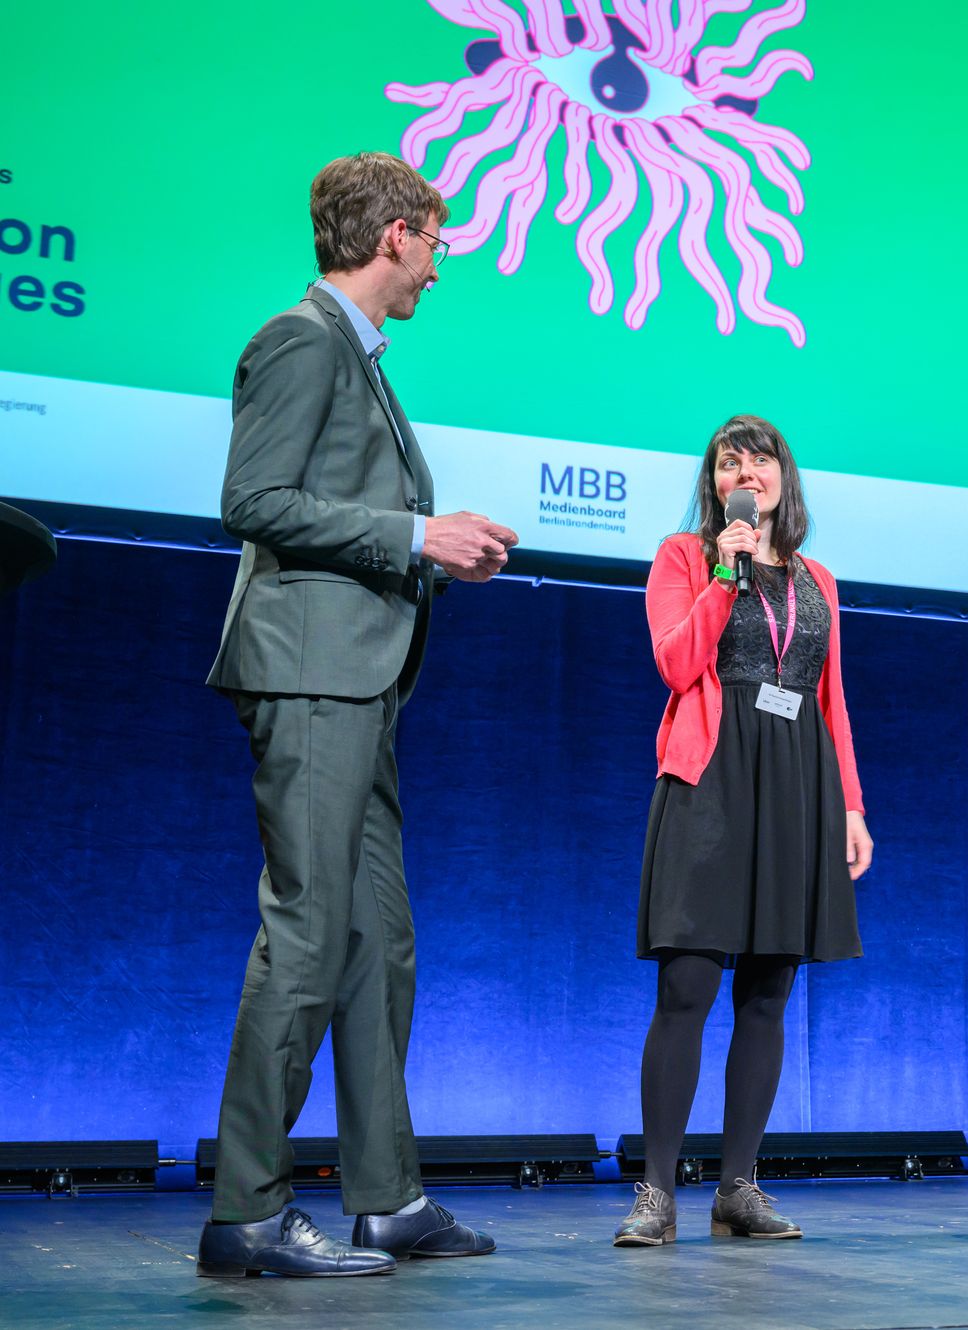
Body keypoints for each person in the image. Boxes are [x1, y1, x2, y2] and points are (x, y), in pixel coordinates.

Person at [197, 152, 516, 1277]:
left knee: (378, 943)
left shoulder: (361, 357)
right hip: (310, 674)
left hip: (363, 680)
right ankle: (246, 1208)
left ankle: (387, 1197)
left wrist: (431, 544)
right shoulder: (301, 338)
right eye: (435, 241)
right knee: (310, 930)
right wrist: (414, 536)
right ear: (393, 237)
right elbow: (254, 500)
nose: (439, 265)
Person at [614, 415, 872, 1246]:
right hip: (712, 778)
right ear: (715, 484)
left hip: (798, 784)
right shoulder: (684, 558)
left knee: (768, 996)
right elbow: (676, 665)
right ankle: (657, 1194)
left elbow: (831, 701)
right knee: (687, 986)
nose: (747, 471)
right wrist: (725, 575)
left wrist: (852, 808)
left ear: (784, 480)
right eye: (731, 462)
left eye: (760, 460)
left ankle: (738, 1187)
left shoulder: (817, 579)